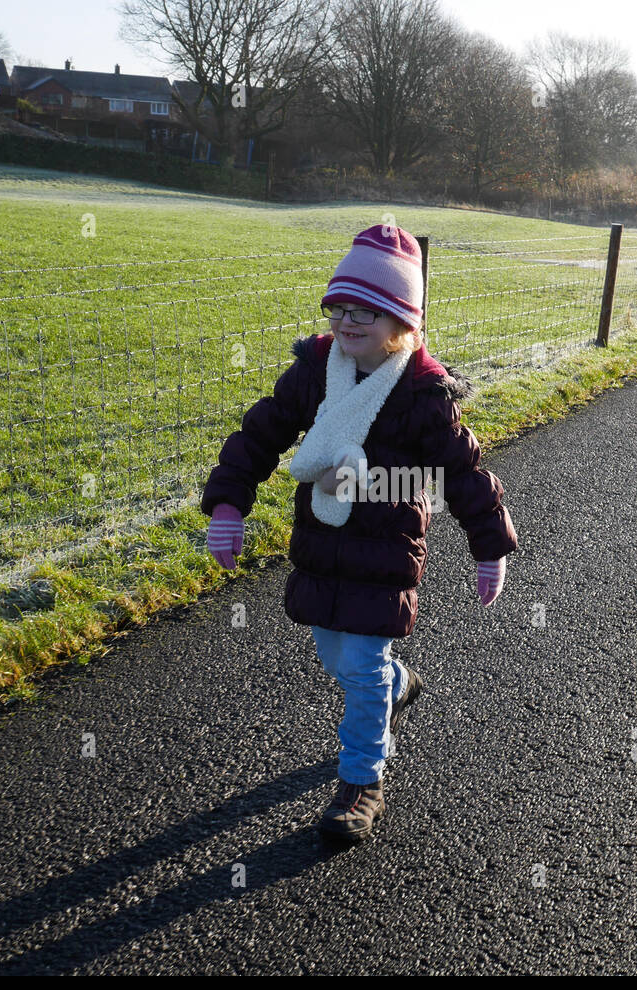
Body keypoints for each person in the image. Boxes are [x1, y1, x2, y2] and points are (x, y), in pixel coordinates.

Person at [200, 225, 518, 842]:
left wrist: (489, 547)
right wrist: (228, 506)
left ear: (401, 317)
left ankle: (361, 781)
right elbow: (260, 435)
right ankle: (401, 684)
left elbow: (463, 472)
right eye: (340, 307)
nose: (349, 321)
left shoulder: (424, 395)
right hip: (323, 538)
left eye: (367, 310)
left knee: (363, 667)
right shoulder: (317, 371)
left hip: (390, 546)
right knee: (336, 657)